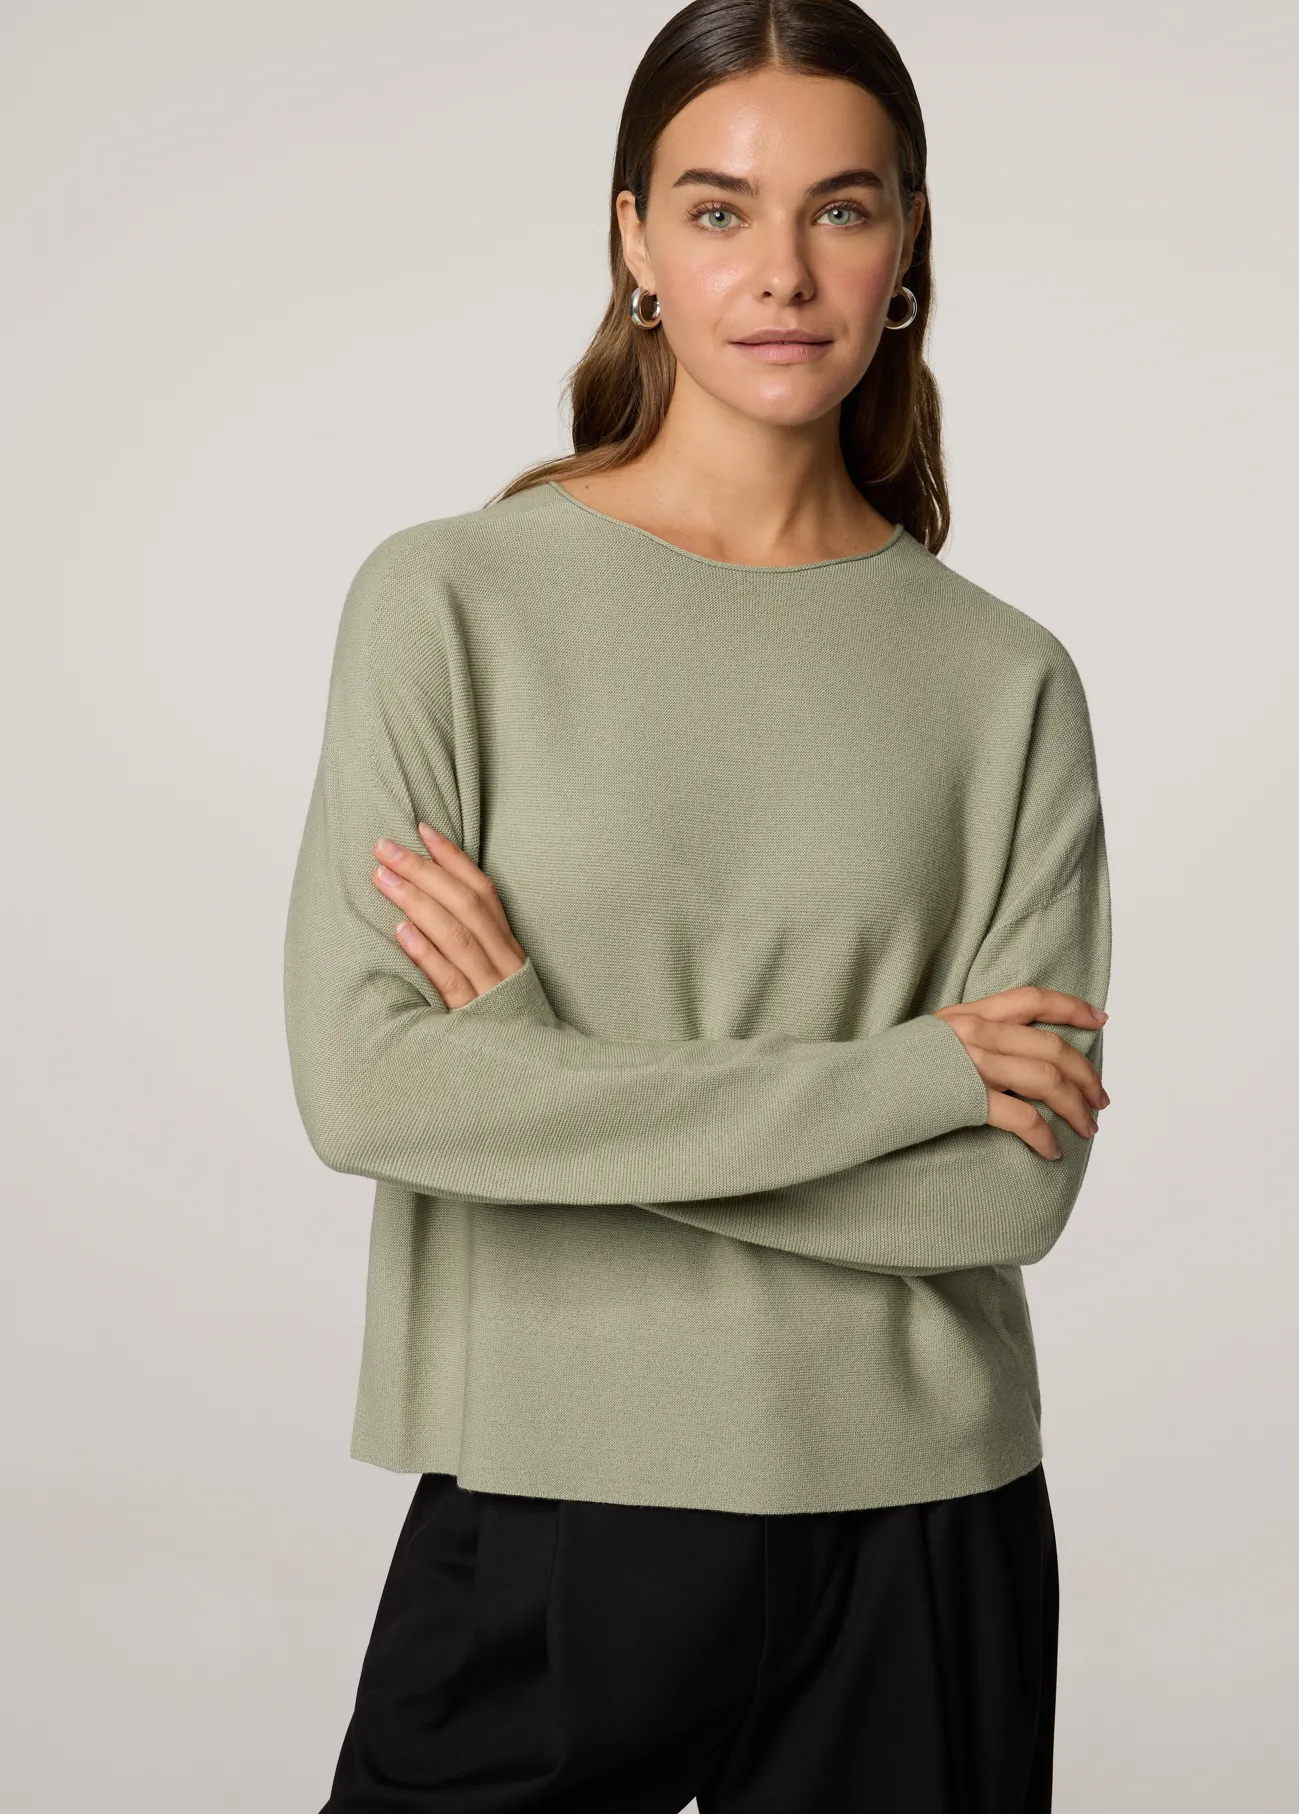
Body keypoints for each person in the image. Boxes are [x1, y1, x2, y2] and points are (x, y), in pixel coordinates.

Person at [282, 2, 1113, 1809]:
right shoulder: (449, 605)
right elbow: (372, 1089)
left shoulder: (1005, 681)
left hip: (923, 1517)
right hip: (546, 1496)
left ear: (907, 246)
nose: (783, 270)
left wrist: (541, 1084)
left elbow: (1012, 1191)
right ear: (635, 242)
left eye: (843, 207)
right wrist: (907, 1077)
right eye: (720, 208)